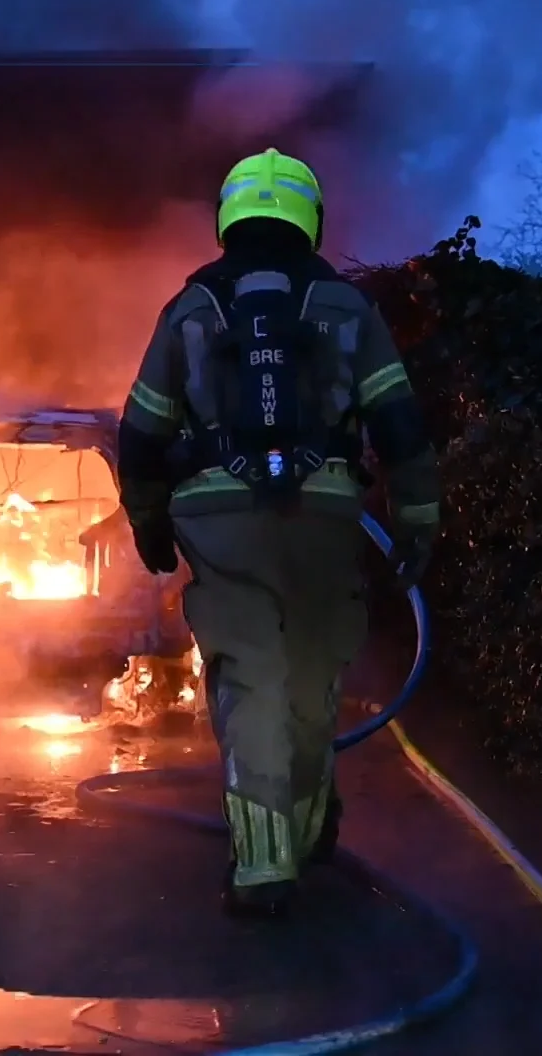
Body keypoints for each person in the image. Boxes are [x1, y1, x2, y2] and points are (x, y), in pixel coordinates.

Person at [115, 147, 441, 917]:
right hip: (326, 516)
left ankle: (264, 869)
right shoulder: (346, 308)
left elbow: (141, 433)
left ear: (230, 219)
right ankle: (304, 826)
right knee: (311, 672)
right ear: (309, 218)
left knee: (250, 676)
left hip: (220, 525)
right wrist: (418, 524)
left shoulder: (191, 310)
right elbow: (399, 424)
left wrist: (151, 523)